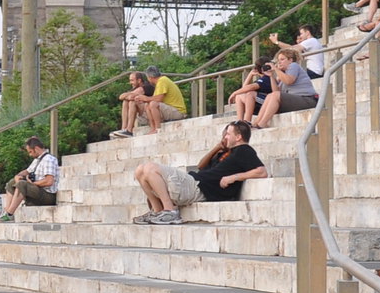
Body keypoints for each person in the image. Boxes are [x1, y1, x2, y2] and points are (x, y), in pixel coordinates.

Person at [128, 121, 268, 225]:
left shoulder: (244, 150)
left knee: (150, 168)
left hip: (199, 187)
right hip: (195, 181)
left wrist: (234, 177)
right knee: (140, 170)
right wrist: (218, 148)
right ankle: (158, 211)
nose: (225, 137)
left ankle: (170, 211)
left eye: (228, 134)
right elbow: (201, 166)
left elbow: (262, 172)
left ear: (238, 137)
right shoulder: (226, 153)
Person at [252, 47, 318, 127]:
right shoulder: (284, 73)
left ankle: (262, 123)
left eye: (282, 59)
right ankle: (256, 123)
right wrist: (271, 76)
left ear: (290, 60)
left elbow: (289, 81)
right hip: (297, 100)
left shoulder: (294, 66)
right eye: (278, 60)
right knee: (270, 96)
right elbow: (275, 91)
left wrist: (276, 69)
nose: (279, 62)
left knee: (275, 95)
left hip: (308, 99)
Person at [6, 136, 59, 219]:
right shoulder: (37, 160)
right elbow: (27, 171)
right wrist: (18, 176)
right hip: (38, 191)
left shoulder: (49, 159)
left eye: (30, 152)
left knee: (22, 184)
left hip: (48, 195)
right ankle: (6, 211)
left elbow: (49, 181)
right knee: (11, 183)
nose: (30, 154)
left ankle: (9, 214)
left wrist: (33, 183)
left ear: (36, 148)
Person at [108, 70, 155, 140]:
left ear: (139, 80)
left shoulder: (147, 86)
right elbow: (121, 97)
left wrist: (129, 96)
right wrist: (129, 96)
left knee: (132, 102)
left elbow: (131, 96)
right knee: (125, 101)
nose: (130, 83)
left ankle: (129, 130)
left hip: (150, 113)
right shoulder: (134, 88)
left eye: (132, 80)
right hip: (142, 114)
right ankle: (124, 129)